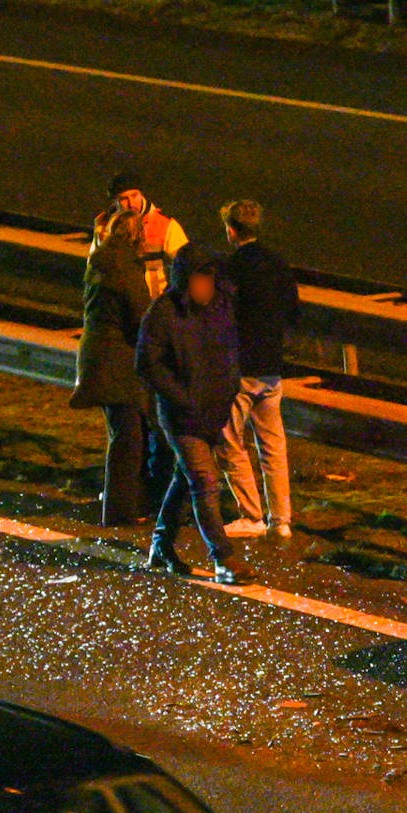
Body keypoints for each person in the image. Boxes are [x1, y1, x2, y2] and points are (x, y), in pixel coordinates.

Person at [137, 244, 255, 586]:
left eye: (209, 280)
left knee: (185, 480)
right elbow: (148, 365)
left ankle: (161, 544)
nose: (205, 287)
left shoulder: (220, 308)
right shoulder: (163, 314)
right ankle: (224, 558)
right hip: (181, 416)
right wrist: (183, 397)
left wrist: (229, 387)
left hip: (213, 411)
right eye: (198, 281)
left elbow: (231, 352)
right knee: (205, 481)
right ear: (184, 281)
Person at [215, 199, 302, 540]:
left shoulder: (231, 268)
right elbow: (294, 311)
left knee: (229, 439)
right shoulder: (278, 264)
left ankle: (250, 514)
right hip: (271, 368)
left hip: (241, 368)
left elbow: (220, 314)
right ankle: (282, 520)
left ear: (231, 230)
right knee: (273, 445)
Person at [70, 208, 154, 525]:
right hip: (116, 362)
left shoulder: (101, 258)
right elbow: (139, 316)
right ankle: (121, 513)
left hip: (97, 355)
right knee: (129, 438)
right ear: (137, 237)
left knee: (122, 434)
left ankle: (125, 507)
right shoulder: (126, 267)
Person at [97, 171, 188, 301]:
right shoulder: (105, 226)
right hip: (119, 302)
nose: (131, 203)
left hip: (152, 303)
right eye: (123, 199)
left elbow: (187, 265)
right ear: (114, 202)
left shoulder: (165, 225)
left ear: (141, 194)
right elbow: (95, 266)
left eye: (134, 195)